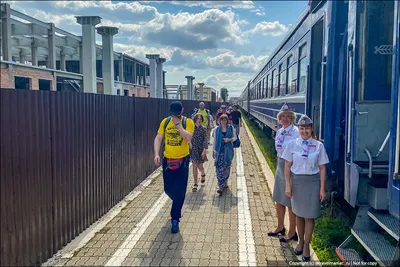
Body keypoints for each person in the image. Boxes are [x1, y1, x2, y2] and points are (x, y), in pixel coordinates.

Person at [281, 115, 329, 262]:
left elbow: (322, 168)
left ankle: (307, 245)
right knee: (299, 215)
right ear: (299, 129)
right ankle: (300, 241)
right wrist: (288, 186)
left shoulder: (318, 146)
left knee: (310, 216)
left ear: (311, 129)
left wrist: (322, 188)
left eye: (307, 128)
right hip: (297, 183)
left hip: (313, 183)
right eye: (301, 128)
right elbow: (287, 167)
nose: (304, 131)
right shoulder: (292, 144)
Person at [153, 101, 194, 233]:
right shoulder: (165, 122)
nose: (175, 115)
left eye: (177, 113)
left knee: (180, 191)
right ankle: (177, 202)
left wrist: (178, 125)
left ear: (182, 110)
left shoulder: (188, 122)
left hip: (182, 161)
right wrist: (156, 154)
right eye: (173, 114)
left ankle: (175, 219)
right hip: (168, 161)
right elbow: (159, 137)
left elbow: (188, 138)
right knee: (168, 189)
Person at [268, 103, 300, 243]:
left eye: (288, 116)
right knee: (279, 199)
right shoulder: (280, 131)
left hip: (291, 167)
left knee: (290, 202)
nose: (286, 119)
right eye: (283, 117)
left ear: (292, 118)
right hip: (281, 165)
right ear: (279, 118)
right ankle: (280, 226)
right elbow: (278, 151)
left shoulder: (296, 132)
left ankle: (292, 232)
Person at [213, 114, 237, 195]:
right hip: (219, 151)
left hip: (228, 151)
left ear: (227, 121)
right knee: (219, 168)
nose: (223, 121)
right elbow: (214, 141)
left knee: (226, 167)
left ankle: (225, 181)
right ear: (220, 121)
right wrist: (213, 151)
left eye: (225, 120)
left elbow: (235, 138)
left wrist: (229, 139)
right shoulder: (216, 129)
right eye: (222, 120)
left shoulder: (231, 128)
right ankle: (220, 186)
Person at [190, 114, 208, 192]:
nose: (199, 120)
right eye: (198, 118)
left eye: (200, 119)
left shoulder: (204, 129)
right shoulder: (191, 128)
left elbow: (205, 140)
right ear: (195, 119)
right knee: (194, 165)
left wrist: (204, 150)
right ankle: (195, 184)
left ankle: (203, 174)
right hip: (193, 149)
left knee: (200, 166)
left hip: (201, 150)